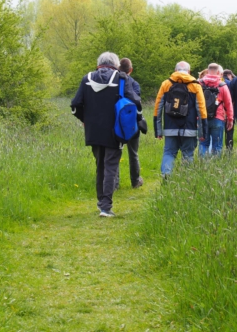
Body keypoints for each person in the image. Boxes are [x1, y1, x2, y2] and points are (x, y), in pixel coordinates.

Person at [71, 51, 141, 217]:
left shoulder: (86, 79)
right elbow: (135, 102)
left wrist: (85, 119)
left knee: (100, 165)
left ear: (98, 64)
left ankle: (101, 202)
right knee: (110, 166)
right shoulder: (121, 79)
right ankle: (105, 207)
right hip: (114, 130)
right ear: (115, 65)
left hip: (93, 130)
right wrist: (135, 122)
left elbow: (75, 105)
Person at [154, 61, 207, 176]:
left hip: (169, 127)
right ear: (189, 71)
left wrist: (158, 130)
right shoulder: (196, 85)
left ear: (175, 70)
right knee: (188, 154)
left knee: (169, 152)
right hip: (189, 129)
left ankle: (166, 175)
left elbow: (157, 108)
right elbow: (201, 110)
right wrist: (202, 132)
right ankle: (186, 181)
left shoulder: (166, 84)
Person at [116, 58, 144, 189]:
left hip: (116, 122)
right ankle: (135, 181)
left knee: (115, 153)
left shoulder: (113, 81)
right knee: (133, 153)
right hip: (132, 123)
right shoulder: (135, 84)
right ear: (130, 70)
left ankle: (114, 184)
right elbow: (137, 103)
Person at [198, 63, 234, 156]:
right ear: (218, 72)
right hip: (218, 118)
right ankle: (214, 168)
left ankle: (202, 165)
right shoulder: (222, 85)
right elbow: (228, 104)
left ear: (208, 70)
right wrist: (230, 119)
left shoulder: (199, 84)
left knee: (203, 144)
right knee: (217, 145)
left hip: (202, 118)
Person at [222, 69, 236, 149]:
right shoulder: (230, 83)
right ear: (229, 75)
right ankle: (229, 151)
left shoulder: (218, 82)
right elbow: (231, 100)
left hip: (217, 112)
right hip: (228, 111)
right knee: (229, 133)